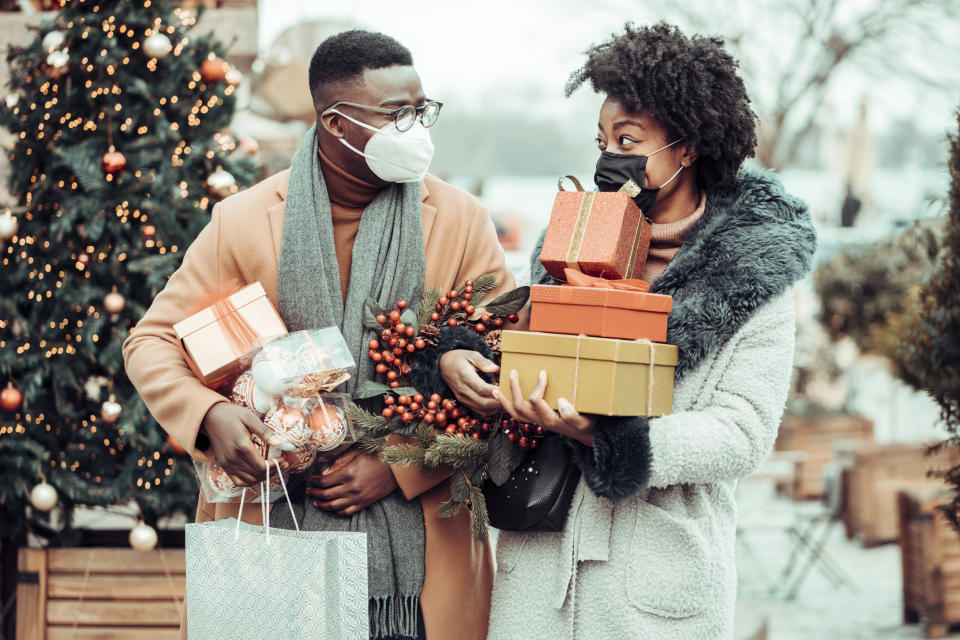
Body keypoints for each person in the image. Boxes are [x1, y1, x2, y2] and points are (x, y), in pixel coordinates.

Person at [123, 30, 512, 640]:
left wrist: (399, 466)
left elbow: (502, 364)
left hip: (420, 564)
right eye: (396, 114)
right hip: (272, 536)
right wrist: (209, 418)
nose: (416, 129)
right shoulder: (244, 220)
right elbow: (151, 343)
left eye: (421, 109)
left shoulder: (460, 220)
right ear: (335, 122)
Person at [489, 23, 817, 639]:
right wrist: (492, 371)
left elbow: (742, 432)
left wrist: (612, 436)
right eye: (602, 138)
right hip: (539, 572)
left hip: (656, 578)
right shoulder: (564, 247)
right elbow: (518, 345)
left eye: (629, 138)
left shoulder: (751, 272)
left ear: (687, 148)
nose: (609, 154)